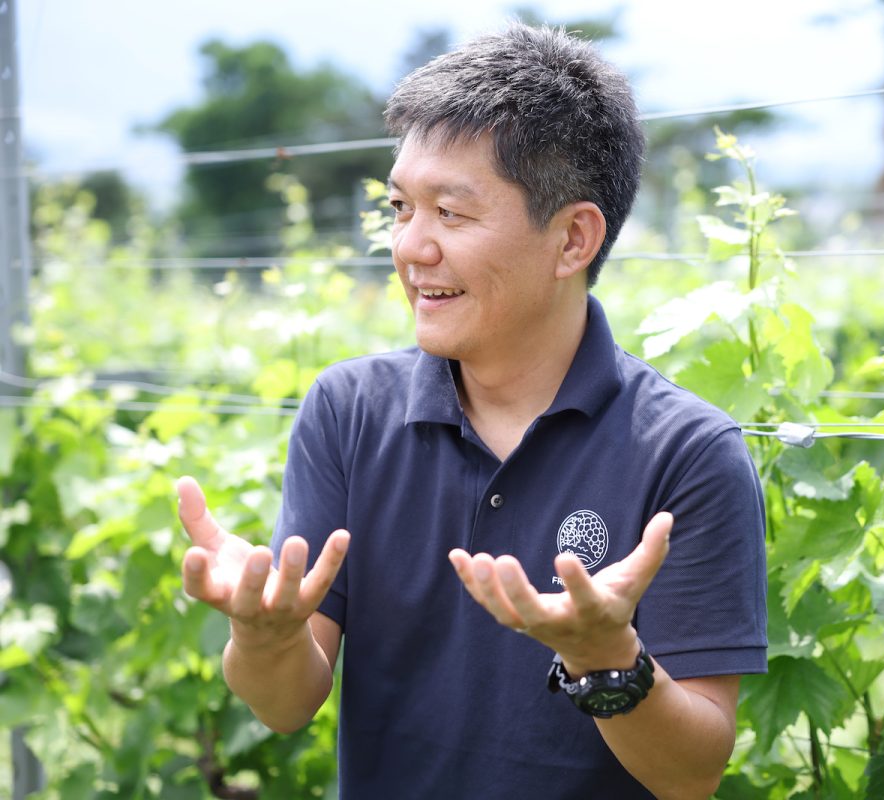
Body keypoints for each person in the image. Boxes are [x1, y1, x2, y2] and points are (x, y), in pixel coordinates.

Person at [178, 22, 766, 799]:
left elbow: (692, 774)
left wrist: (607, 658)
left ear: (572, 240)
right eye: (400, 208)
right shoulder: (348, 413)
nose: (411, 247)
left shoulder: (687, 454)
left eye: (450, 214)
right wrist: (262, 635)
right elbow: (286, 703)